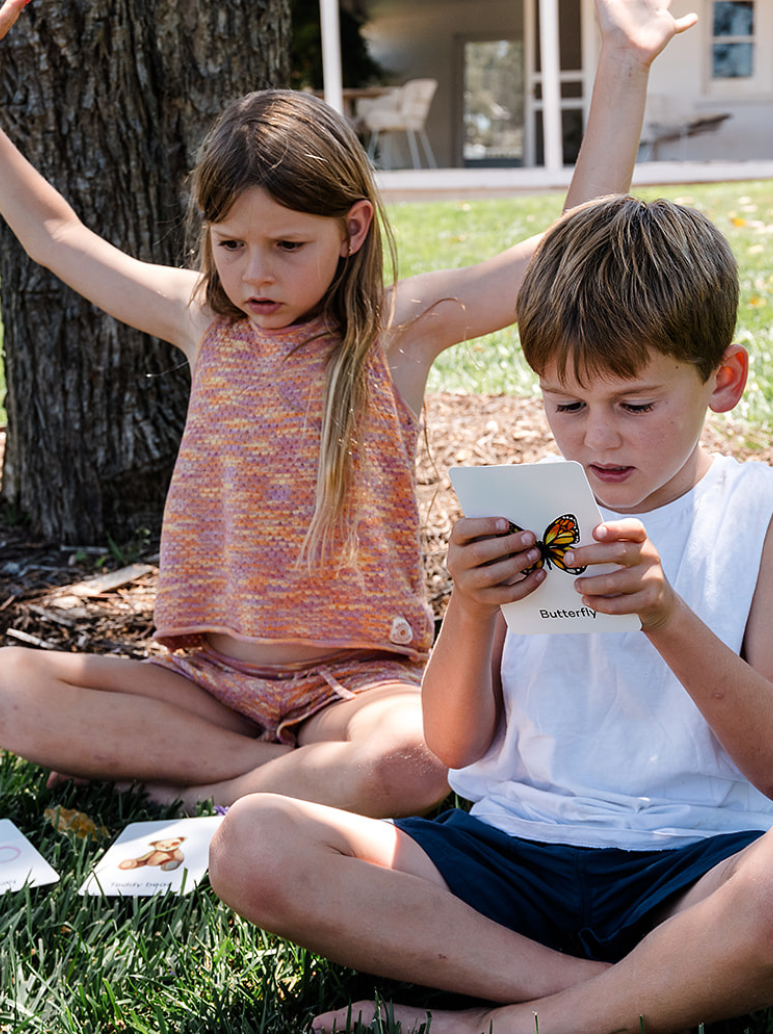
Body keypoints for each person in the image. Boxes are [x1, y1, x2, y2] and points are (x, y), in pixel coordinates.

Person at [0, 0, 694, 819]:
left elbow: (568, 246)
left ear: (352, 229)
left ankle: (195, 786)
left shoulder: (396, 330)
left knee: (420, 759)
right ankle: (250, 778)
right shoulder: (204, 322)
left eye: (287, 246)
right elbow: (55, 235)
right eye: (231, 244)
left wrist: (624, 67)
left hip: (355, 691)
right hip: (204, 684)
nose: (254, 274)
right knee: (1, 687)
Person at [209, 194, 773, 1034]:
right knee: (253, 841)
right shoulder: (531, 507)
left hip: (695, 864)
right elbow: (455, 744)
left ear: (723, 380)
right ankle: (615, 996)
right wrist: (470, 608)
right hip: (513, 858)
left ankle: (494, 1027)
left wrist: (668, 619)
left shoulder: (756, 514)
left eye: (636, 405)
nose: (597, 441)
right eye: (568, 405)